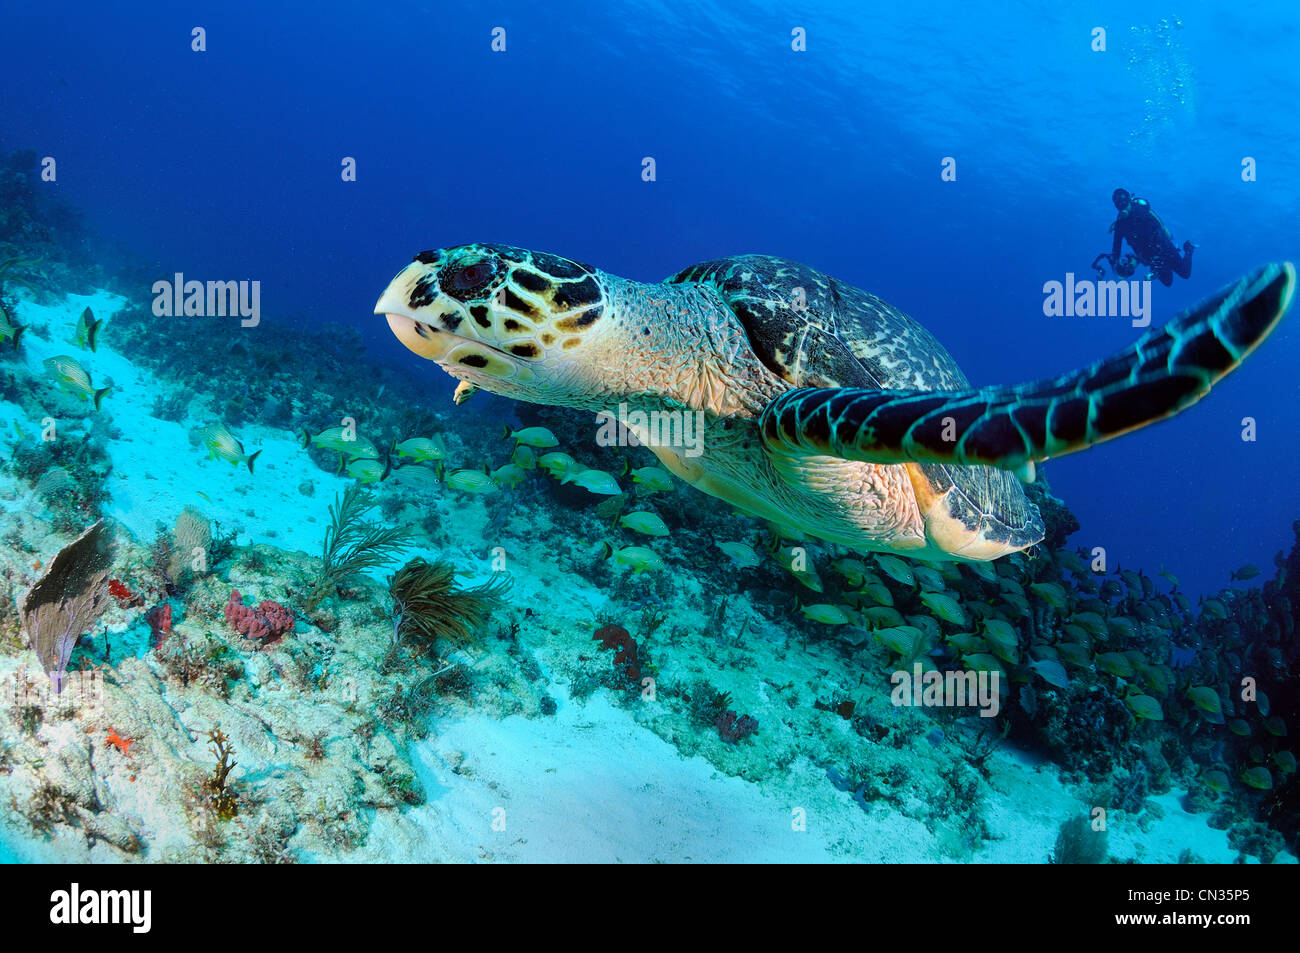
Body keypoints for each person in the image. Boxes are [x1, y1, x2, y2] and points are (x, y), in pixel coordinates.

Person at [1100, 188, 1195, 287]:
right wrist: (1115, 262)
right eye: (1118, 204)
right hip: (1150, 256)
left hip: (1164, 248)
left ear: (1128, 200)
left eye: (1124, 202)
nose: (1122, 206)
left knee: (1185, 274)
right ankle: (1167, 264)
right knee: (1167, 282)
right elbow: (1116, 246)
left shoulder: (1139, 211)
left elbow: (1156, 230)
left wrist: (1157, 254)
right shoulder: (1120, 224)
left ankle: (1188, 249)